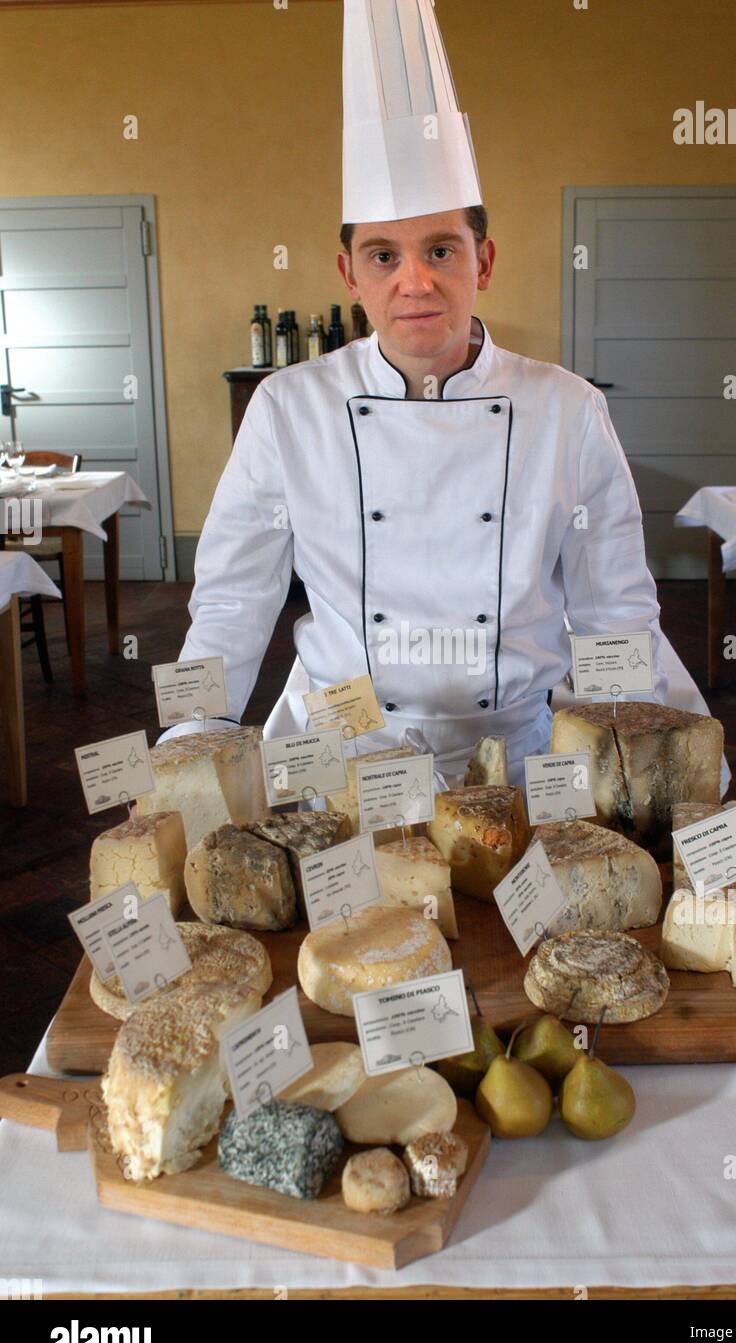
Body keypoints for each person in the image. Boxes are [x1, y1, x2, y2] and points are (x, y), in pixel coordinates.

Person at [161, 0, 668, 786]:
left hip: (521, 751)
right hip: (341, 745)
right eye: (384, 256)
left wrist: (633, 757)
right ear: (350, 274)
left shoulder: (568, 410)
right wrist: (189, 740)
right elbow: (228, 600)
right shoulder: (289, 408)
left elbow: (616, 614)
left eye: (440, 249)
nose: (416, 282)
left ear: (484, 260)